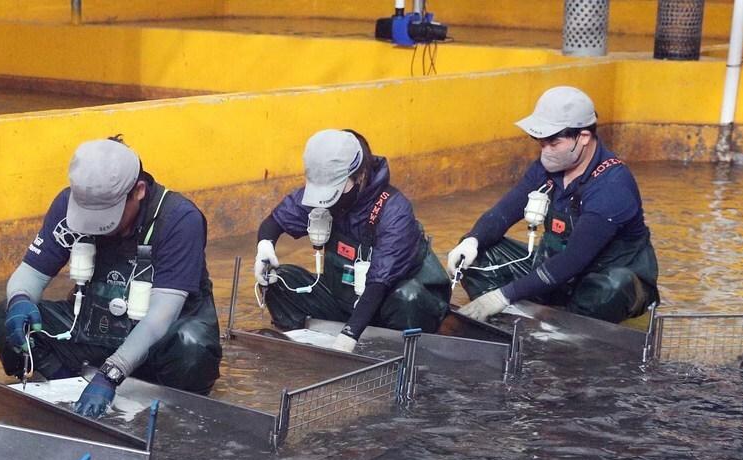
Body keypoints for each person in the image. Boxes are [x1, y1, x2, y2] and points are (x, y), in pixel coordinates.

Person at [0, 136, 223, 417]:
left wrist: (111, 373)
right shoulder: (67, 204)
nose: (96, 225)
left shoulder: (179, 220)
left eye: (107, 213)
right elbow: (29, 275)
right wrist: (20, 300)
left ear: (138, 191)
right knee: (5, 316)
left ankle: (175, 412)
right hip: (96, 329)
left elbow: (162, 315)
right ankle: (67, 388)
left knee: (192, 346)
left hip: (158, 340)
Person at [449, 86, 659, 323]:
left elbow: (573, 260)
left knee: (610, 289)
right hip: (554, 271)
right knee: (474, 255)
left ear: (583, 137)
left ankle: (571, 335)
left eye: (553, 143)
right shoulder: (547, 168)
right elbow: (504, 212)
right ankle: (509, 323)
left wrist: (502, 296)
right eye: (540, 143)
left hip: (600, 275)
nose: (545, 152)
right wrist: (472, 240)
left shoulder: (611, 187)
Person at [253, 129, 450, 352]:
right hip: (345, 300)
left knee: (407, 298)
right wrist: (265, 246)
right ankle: (299, 345)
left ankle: (399, 356)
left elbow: (379, 281)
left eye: (336, 189)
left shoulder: (394, 211)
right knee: (278, 280)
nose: (328, 199)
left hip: (394, 305)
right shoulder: (320, 196)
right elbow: (275, 222)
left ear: (360, 176)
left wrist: (349, 336)